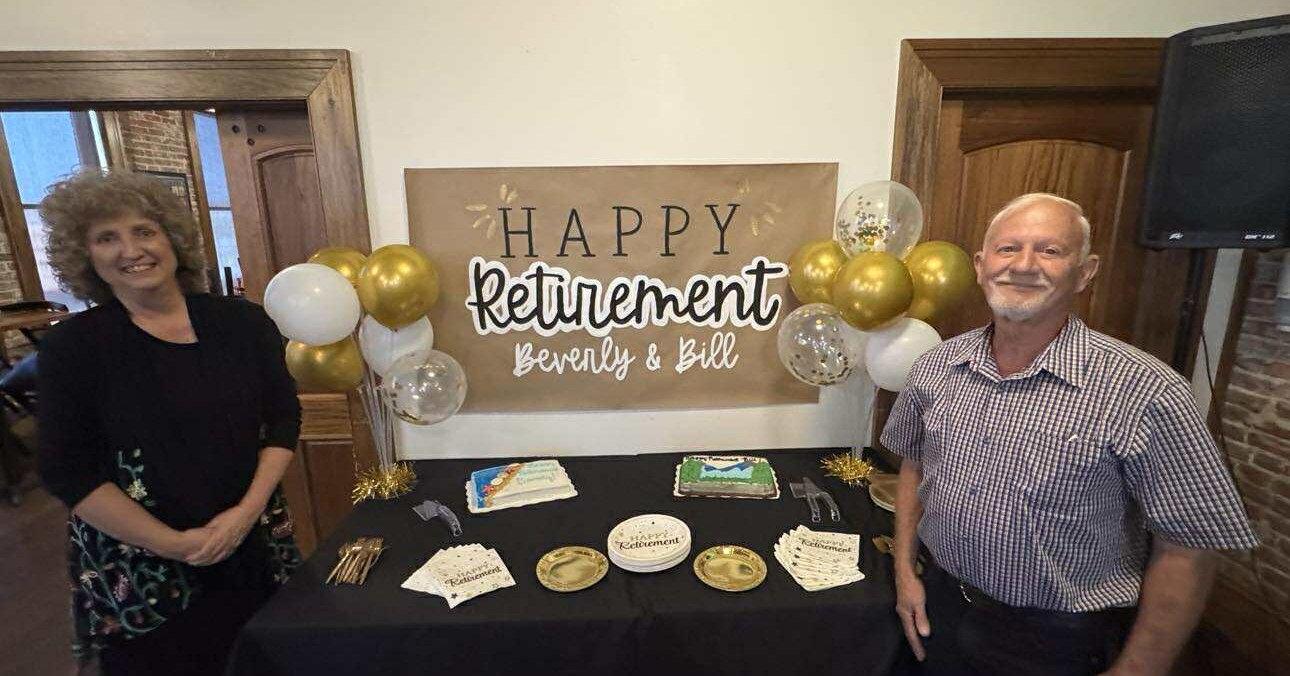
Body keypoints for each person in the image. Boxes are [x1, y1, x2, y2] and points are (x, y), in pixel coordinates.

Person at [881, 193, 1257, 676]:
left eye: (1050, 251)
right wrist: (906, 574)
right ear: (980, 265)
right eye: (1008, 248)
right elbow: (915, 463)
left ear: (1084, 271)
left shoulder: (1147, 390)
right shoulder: (936, 366)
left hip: (1059, 640)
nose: (1024, 265)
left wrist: (1138, 670)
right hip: (942, 607)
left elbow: (1188, 546)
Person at [36, 169, 302, 675]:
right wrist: (173, 543)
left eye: (144, 231)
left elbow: (284, 418)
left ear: (172, 238)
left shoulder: (242, 324)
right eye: (106, 238)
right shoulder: (73, 349)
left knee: (265, 661)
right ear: (86, 256)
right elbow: (67, 471)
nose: (130, 249)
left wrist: (245, 513)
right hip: (140, 566)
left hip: (254, 540)